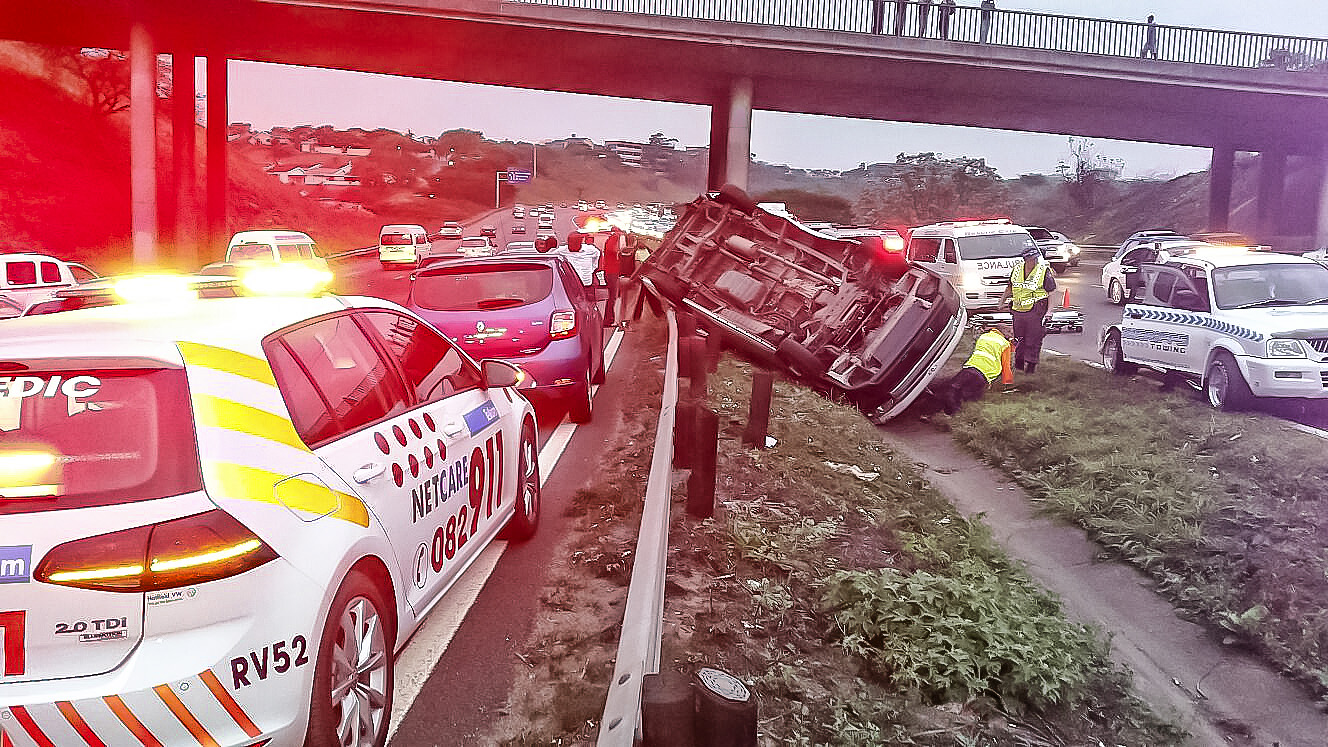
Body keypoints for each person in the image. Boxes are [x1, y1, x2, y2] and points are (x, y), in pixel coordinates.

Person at [933, 323, 1015, 415]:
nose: (1011, 335)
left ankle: (938, 411)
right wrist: (1007, 384)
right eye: (1011, 333)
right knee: (967, 398)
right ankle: (956, 414)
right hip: (983, 375)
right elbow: (1006, 365)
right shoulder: (1005, 344)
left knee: (952, 389)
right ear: (1005, 333)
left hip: (969, 369)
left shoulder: (984, 336)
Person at [999, 243, 1056, 373]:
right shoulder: (1017, 269)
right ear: (1025, 259)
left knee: (1034, 339)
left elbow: (1051, 292)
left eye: (1035, 259)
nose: (1033, 262)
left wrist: (1049, 311)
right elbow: (1010, 288)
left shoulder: (1043, 271)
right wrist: (1001, 301)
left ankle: (1030, 367)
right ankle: (1018, 365)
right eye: (1031, 259)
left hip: (1036, 310)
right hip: (1018, 310)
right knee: (1019, 339)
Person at [602, 227, 623, 325]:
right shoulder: (613, 239)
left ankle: (609, 318)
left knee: (612, 297)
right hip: (612, 272)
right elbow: (614, 250)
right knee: (612, 297)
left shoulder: (610, 240)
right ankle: (609, 319)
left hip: (610, 272)